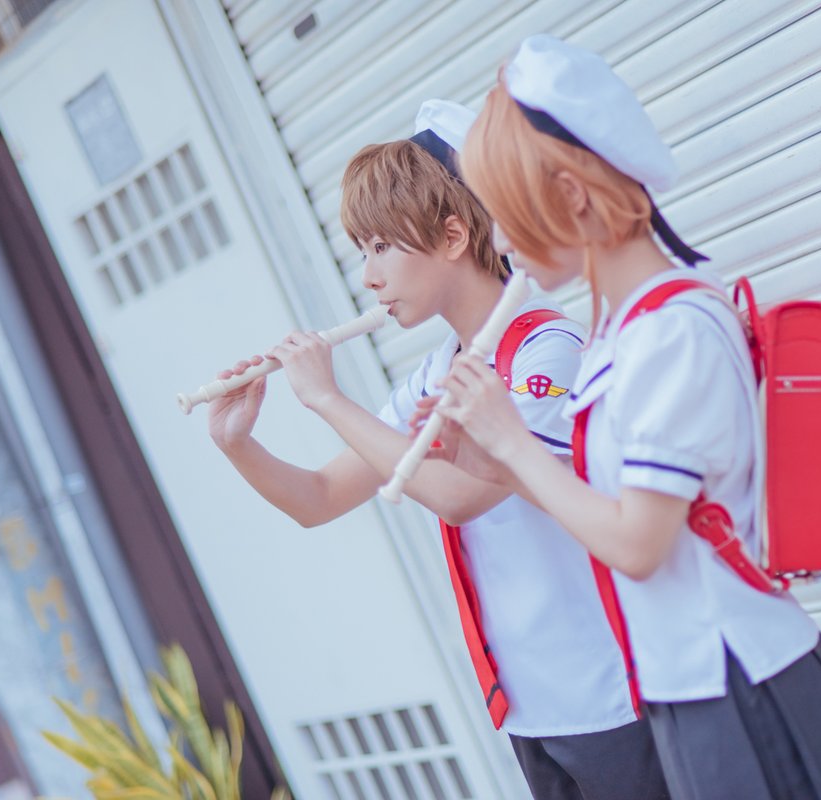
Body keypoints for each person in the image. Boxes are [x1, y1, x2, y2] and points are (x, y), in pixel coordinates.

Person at [424, 37, 821, 799]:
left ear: (572, 194)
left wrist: (513, 444)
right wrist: (493, 456)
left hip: (741, 686)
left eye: (503, 214)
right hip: (697, 686)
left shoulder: (672, 331)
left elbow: (638, 543)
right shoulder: (626, 328)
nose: (499, 241)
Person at [207, 100, 669, 799]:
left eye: (381, 247)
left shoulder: (548, 349)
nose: (369, 277)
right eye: (363, 252)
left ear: (453, 236)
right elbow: (319, 498)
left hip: (613, 696)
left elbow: (461, 497)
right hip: (531, 707)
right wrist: (237, 443)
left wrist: (328, 398)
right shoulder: (437, 370)